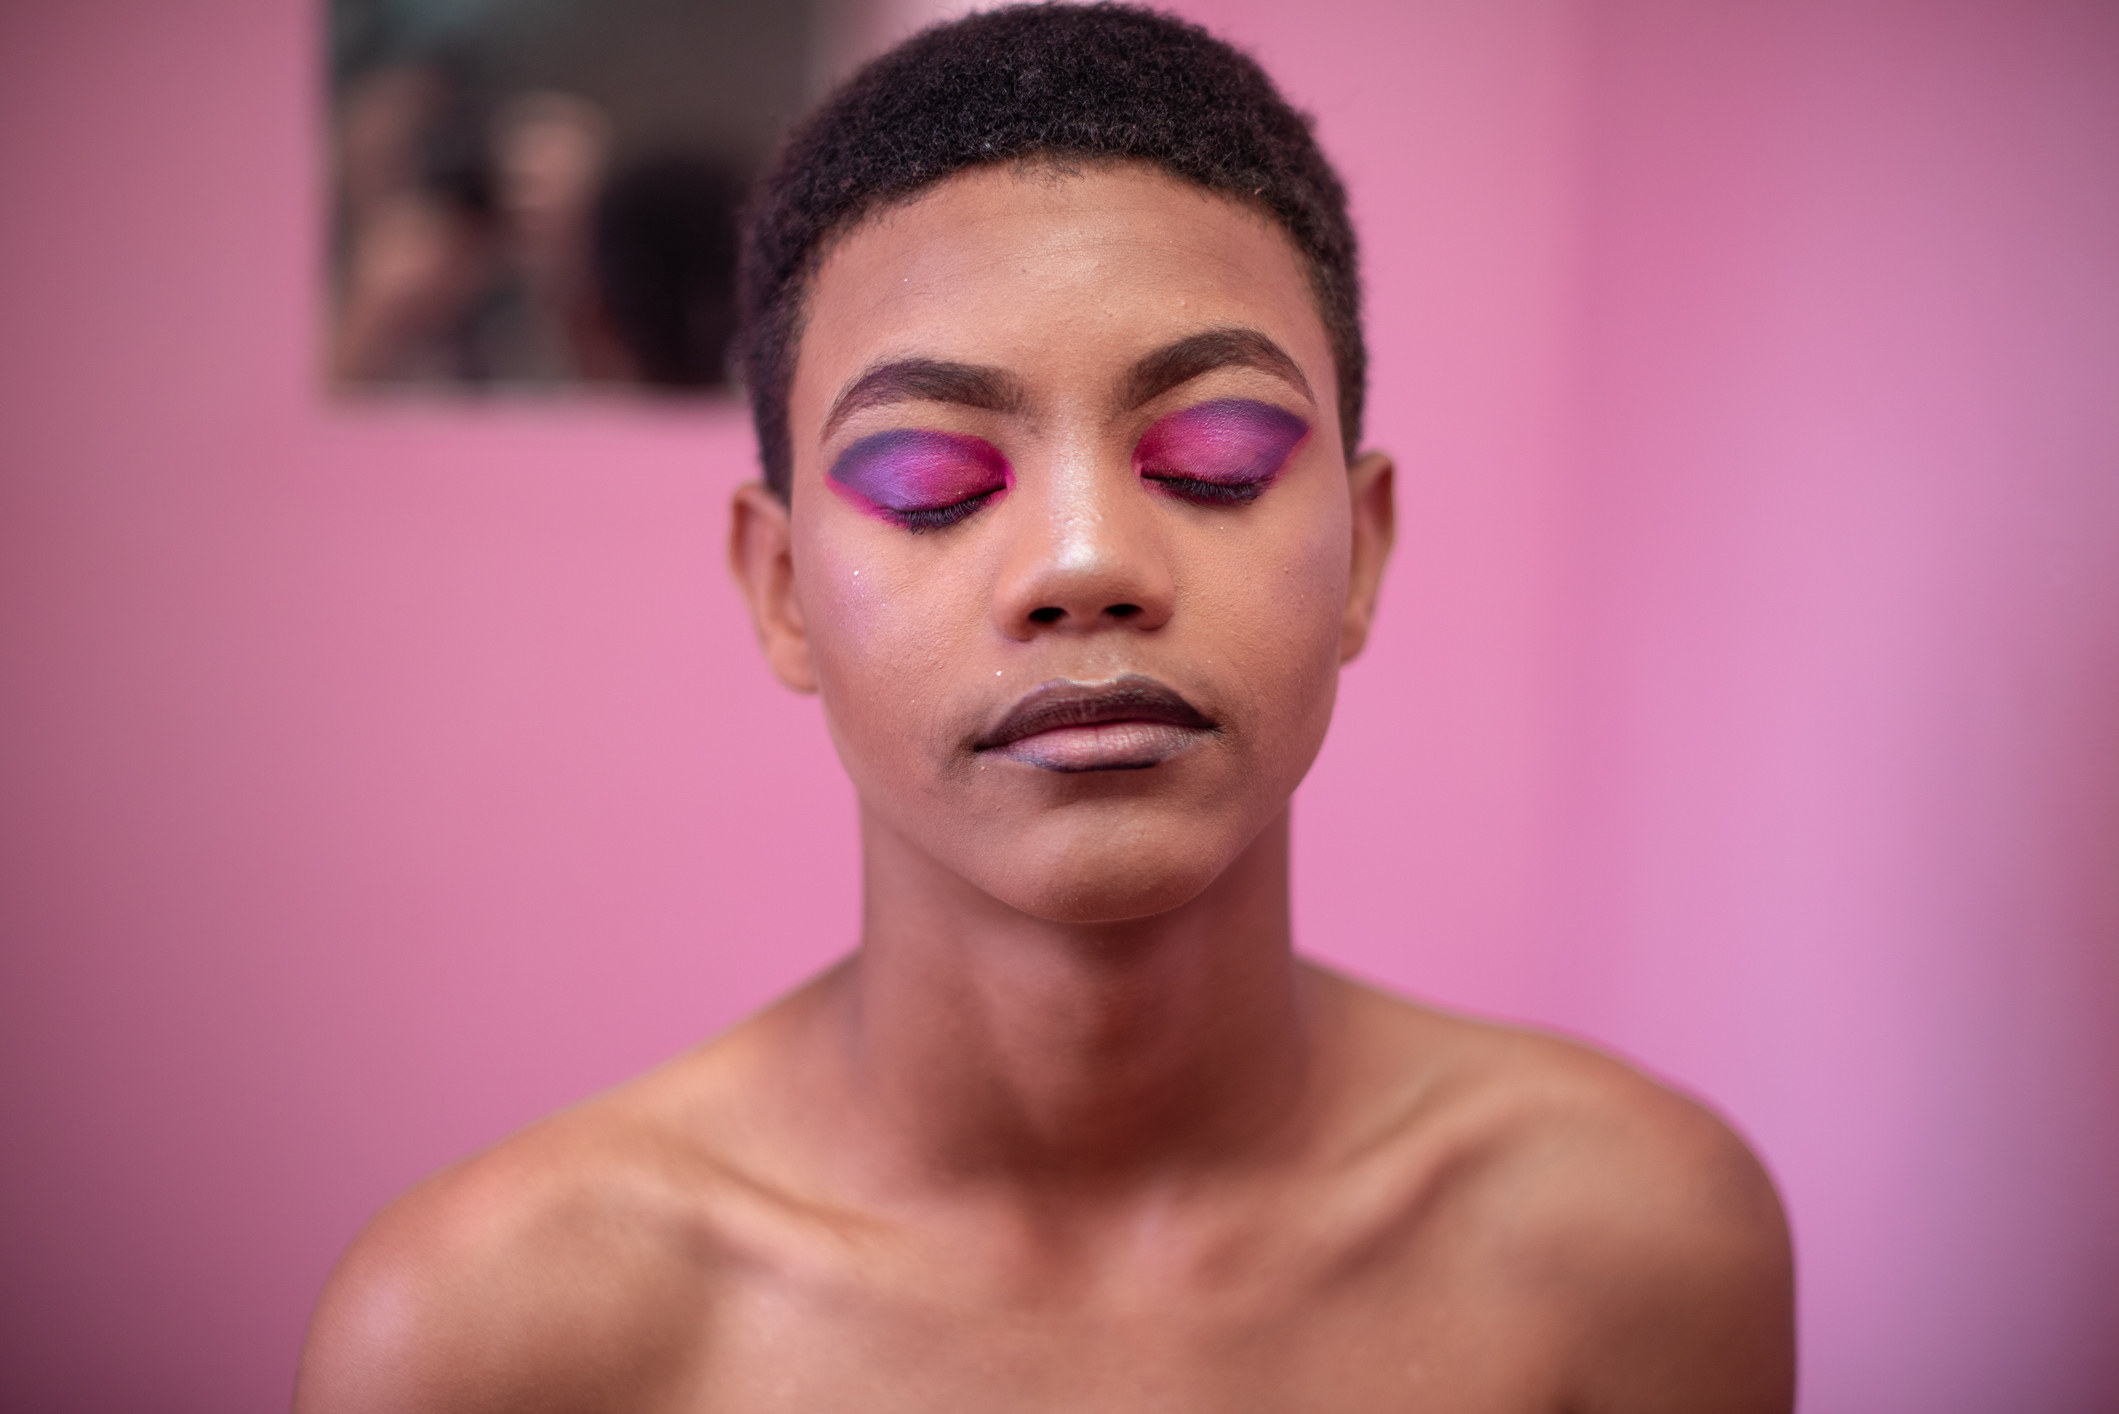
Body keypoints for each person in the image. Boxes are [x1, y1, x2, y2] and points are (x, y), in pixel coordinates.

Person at [295, 6, 1795, 1410]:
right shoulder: (495, 1335)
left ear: (1365, 549)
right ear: (778, 588)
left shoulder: (1635, 1245)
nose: (1085, 562)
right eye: (931, 478)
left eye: (1211, 453)